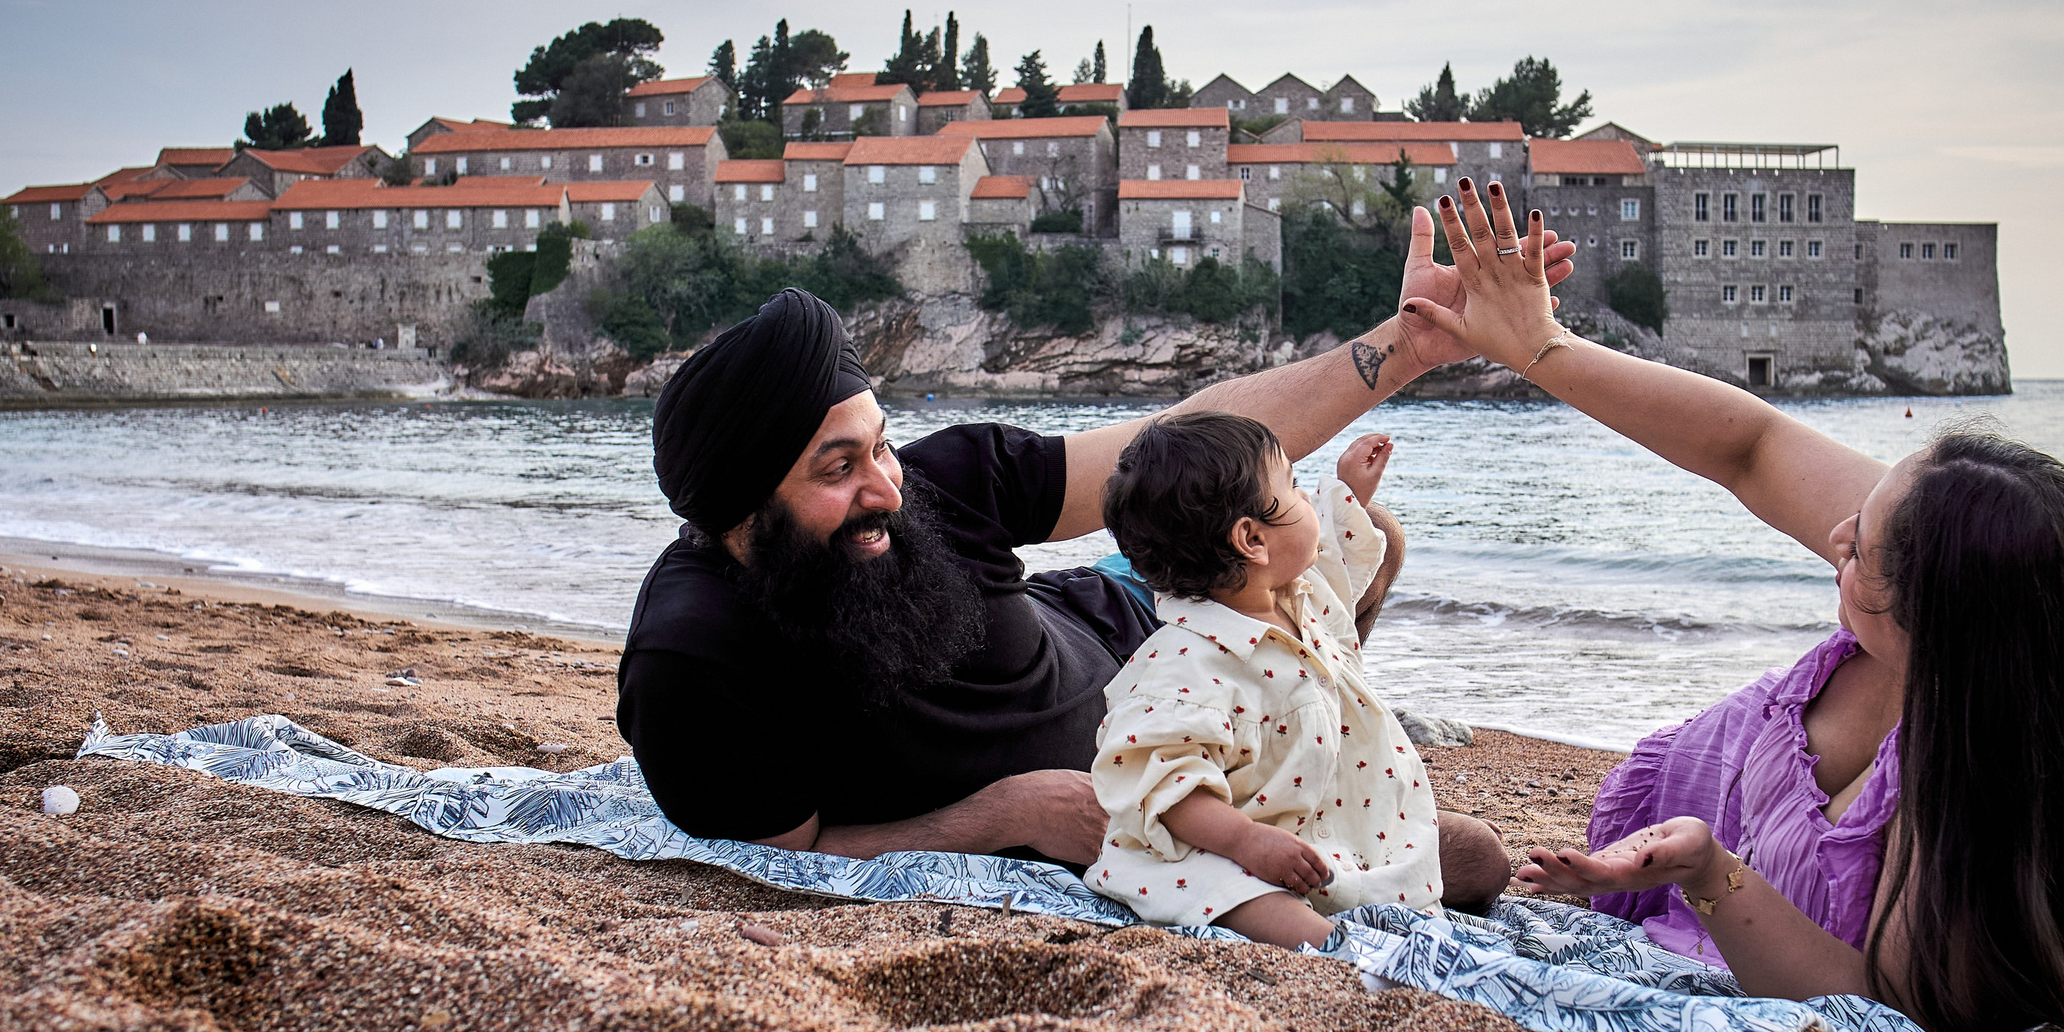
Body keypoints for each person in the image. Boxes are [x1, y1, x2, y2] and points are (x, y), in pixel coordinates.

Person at [1400, 178, 2064, 1032]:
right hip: (1643, 868)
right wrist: (1540, 347)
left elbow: (1887, 1018)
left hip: (1692, 893)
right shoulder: (1955, 553)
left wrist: (1707, 870)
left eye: (1860, 552)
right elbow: (1750, 447)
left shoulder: (2009, 765)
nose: (1836, 536)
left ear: (1944, 619)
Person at [620, 218, 1572, 870]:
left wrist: (1399, 351)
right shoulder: (692, 662)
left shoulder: (936, 477)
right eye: (839, 471)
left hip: (1125, 615)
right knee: (1471, 853)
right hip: (1166, 769)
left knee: (1369, 543)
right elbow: (784, 853)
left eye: (881, 445)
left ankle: (1318, 676)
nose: (886, 488)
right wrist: (1000, 819)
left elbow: (1173, 444)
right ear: (743, 506)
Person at [1083, 415, 1507, 946]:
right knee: (1256, 903)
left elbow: (1327, 555)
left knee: (1481, 864)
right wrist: (1246, 843)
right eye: (1293, 486)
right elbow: (1166, 784)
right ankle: (1338, 953)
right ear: (1252, 540)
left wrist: (1349, 489)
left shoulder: (1297, 599)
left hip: (1333, 833)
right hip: (1224, 848)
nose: (1307, 496)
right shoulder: (1186, 663)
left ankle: (1354, 917)